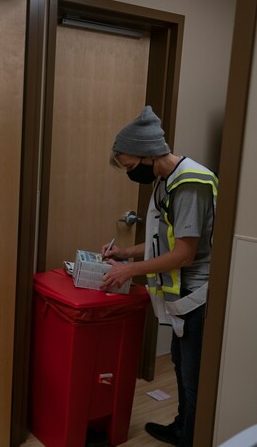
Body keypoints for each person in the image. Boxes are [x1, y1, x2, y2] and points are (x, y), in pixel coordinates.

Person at [101, 106, 218, 447]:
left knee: (193, 377)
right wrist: (126, 253)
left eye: (130, 167)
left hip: (198, 293)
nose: (130, 173)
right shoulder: (167, 179)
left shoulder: (190, 183)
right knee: (182, 368)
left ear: (146, 154)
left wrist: (128, 271)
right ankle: (182, 427)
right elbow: (162, 240)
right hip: (181, 295)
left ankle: (192, 437)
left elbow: (184, 253)